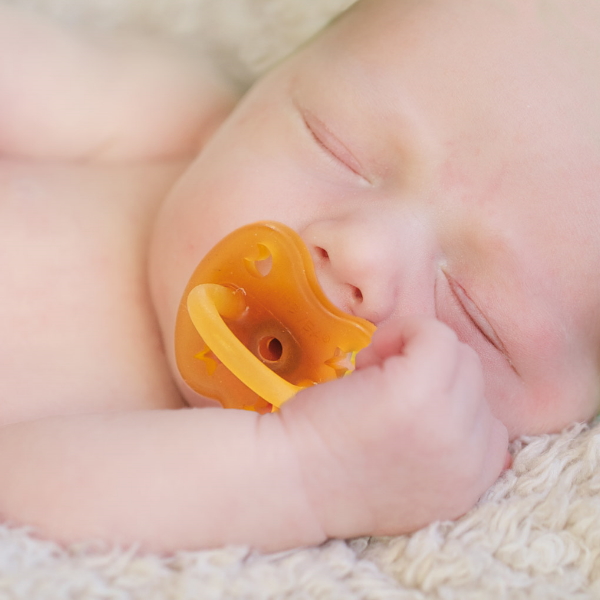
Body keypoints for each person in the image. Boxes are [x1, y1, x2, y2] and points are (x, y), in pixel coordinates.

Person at [0, 0, 599, 554]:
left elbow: (23, 513)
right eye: (335, 145)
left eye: (477, 309)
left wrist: (310, 472)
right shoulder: (168, 124)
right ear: (257, 97)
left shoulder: (221, 484)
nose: (363, 252)